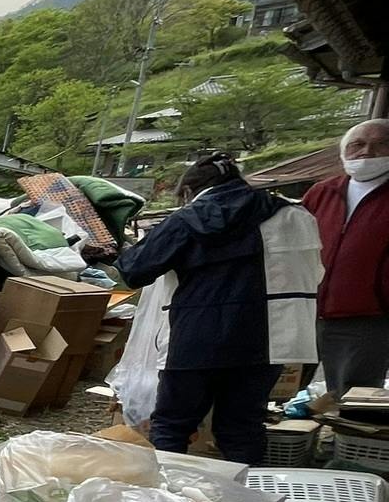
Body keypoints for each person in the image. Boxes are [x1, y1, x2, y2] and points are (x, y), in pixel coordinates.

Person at [117, 152, 321, 463]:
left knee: (174, 424)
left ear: (189, 191)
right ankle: (243, 491)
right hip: (270, 336)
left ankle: (168, 489)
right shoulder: (294, 216)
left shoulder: (185, 220)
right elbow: (315, 271)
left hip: (195, 336)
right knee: (243, 426)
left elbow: (134, 270)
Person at [302, 118, 389, 395]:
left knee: (354, 397)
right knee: (285, 394)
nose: (367, 152)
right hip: (307, 310)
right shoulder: (322, 192)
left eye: (381, 145)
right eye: (357, 145)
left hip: (367, 315)